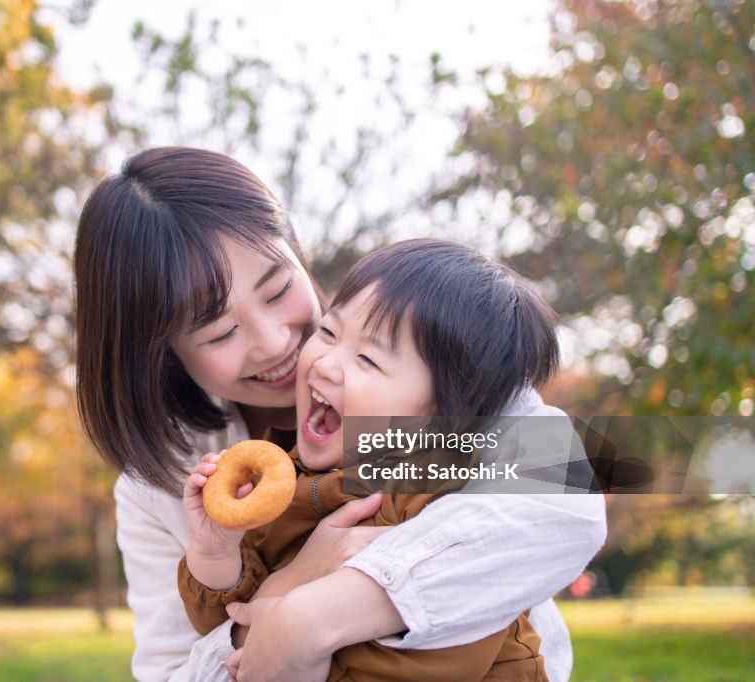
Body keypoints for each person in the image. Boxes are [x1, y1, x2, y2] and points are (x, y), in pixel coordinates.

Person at [74, 147, 606, 682]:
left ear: (297, 253)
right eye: (221, 332)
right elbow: (170, 672)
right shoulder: (164, 486)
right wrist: (287, 588)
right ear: (161, 352)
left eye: (279, 289)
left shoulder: (430, 359)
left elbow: (566, 492)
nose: (276, 342)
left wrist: (319, 613)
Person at [179, 239, 560, 681]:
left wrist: (297, 650)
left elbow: (435, 656)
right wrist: (216, 553)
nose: (326, 363)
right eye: (329, 332)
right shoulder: (286, 480)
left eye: (367, 359)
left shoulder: (440, 499)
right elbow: (225, 625)